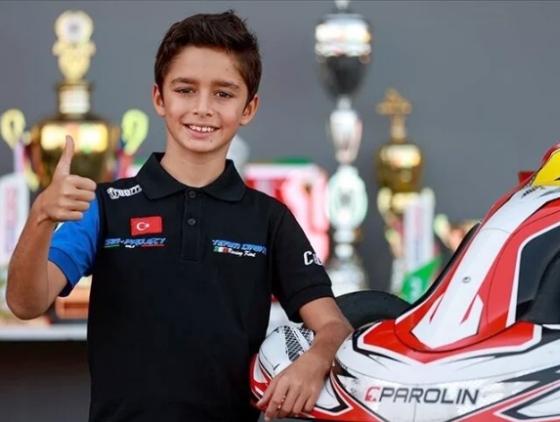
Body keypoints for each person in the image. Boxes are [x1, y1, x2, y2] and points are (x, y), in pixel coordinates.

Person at [5, 10, 353, 422]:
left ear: (249, 107)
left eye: (223, 94)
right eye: (185, 90)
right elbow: (25, 303)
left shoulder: (270, 220)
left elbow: (334, 327)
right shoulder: (106, 206)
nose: (202, 108)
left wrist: (315, 361)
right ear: (159, 98)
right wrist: (41, 217)